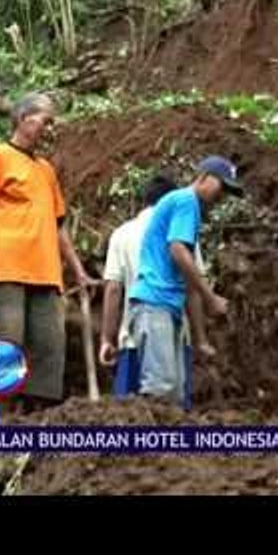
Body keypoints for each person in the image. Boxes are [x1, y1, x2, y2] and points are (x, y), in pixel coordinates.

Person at [0, 93, 94, 408]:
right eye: (46, 120)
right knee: (6, 341)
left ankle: (37, 418)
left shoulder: (46, 170)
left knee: (50, 343)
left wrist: (78, 270)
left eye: (53, 123)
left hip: (46, 271)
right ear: (24, 119)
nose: (50, 129)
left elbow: (59, 224)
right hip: (5, 265)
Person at [126, 156, 240, 404]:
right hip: (154, 301)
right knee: (161, 388)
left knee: (174, 394)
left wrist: (200, 339)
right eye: (223, 187)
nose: (224, 197)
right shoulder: (186, 201)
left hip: (164, 305)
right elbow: (178, 250)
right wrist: (211, 299)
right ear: (204, 177)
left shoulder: (186, 208)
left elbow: (189, 284)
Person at [99, 173, 212, 408]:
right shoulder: (182, 233)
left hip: (132, 335)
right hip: (175, 333)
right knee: (171, 408)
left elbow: (113, 289)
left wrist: (107, 339)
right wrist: (200, 338)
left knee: (131, 414)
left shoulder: (122, 234)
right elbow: (193, 289)